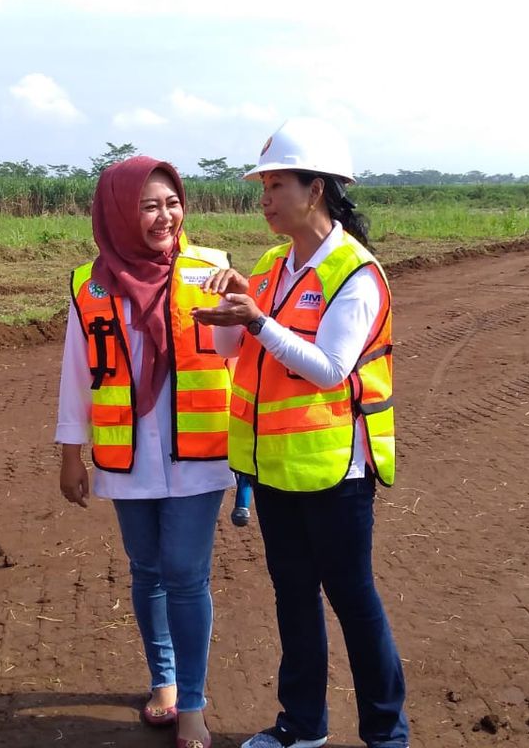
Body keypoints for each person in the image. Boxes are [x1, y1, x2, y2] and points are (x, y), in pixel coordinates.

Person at [193, 118, 408, 748]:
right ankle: (303, 726)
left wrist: (257, 319)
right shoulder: (269, 264)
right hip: (273, 468)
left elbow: (330, 369)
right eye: (262, 185)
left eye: (275, 184)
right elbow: (233, 346)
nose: (264, 198)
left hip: (336, 469)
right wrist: (230, 310)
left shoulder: (355, 274)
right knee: (293, 599)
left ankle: (386, 734)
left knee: (353, 600)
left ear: (315, 189)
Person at [56, 156, 234, 748]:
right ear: (118, 211)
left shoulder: (211, 268)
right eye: (148, 205)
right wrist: (70, 452)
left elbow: (239, 351)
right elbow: (76, 373)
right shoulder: (90, 282)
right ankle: (162, 679)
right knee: (147, 570)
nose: (165, 216)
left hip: (198, 451)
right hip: (125, 455)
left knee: (185, 573)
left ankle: (193, 704)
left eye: (172, 203)